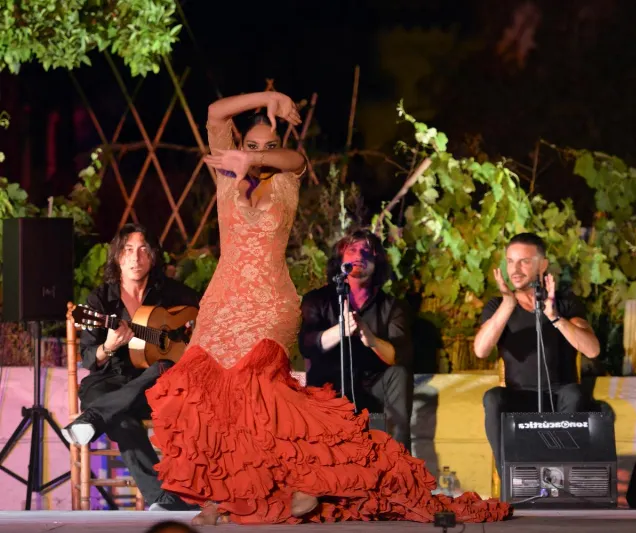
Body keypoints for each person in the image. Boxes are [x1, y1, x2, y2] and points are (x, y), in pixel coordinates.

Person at [144, 90, 511, 526]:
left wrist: (263, 157)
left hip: (267, 303)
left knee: (259, 397)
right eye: (251, 146)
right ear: (238, 148)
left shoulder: (285, 181)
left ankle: (303, 484)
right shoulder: (227, 174)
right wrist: (270, 97)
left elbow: (295, 160)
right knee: (206, 397)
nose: (260, 153)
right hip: (222, 302)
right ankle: (223, 498)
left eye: (268, 145)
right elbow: (213, 112)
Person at [62, 223, 201, 511]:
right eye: (127, 250)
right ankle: (162, 499)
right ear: (116, 256)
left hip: (155, 387)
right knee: (120, 418)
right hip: (110, 383)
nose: (135, 258)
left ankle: (93, 418)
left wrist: (188, 333)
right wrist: (109, 345)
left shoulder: (170, 293)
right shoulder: (99, 301)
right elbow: (89, 357)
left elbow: (202, 315)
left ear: (153, 256)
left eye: (142, 250)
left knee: (163, 366)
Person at [474, 232, 601, 472]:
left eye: (524, 261)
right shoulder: (497, 306)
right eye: (510, 261)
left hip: (560, 397)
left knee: (574, 393)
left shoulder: (564, 302)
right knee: (493, 397)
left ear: (542, 265)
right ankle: (511, 480)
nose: (515, 268)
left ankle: (559, 479)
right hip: (519, 397)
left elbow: (592, 349)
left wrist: (554, 317)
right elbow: (481, 350)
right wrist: (507, 305)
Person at [299, 230, 413, 450]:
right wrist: (339, 331)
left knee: (398, 374)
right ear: (341, 259)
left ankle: (401, 465)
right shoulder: (317, 300)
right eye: (352, 250)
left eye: (367, 250)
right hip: (330, 385)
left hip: (374, 384)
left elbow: (398, 356)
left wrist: (370, 339)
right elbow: (307, 345)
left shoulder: (391, 307)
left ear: (377, 261)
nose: (359, 255)